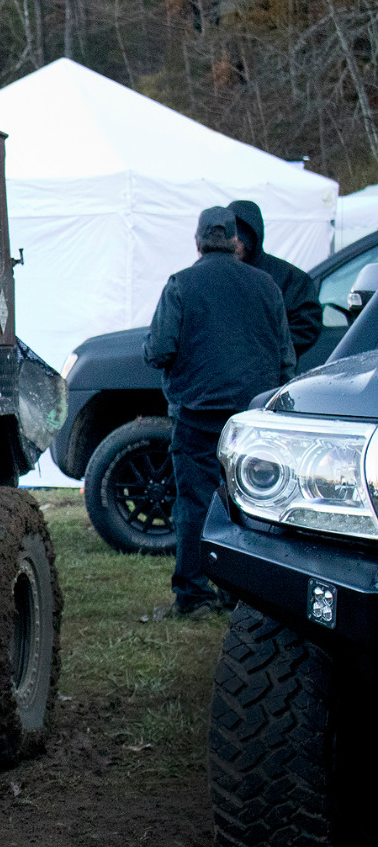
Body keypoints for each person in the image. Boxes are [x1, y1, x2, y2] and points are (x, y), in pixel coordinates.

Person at [144, 207, 295, 619]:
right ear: (235, 241)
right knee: (250, 506)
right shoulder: (266, 285)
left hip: (197, 415)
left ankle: (194, 597)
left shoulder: (182, 284)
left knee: (194, 504)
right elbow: (286, 358)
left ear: (197, 241)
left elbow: (158, 350)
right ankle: (243, 594)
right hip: (252, 419)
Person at [228, 199, 321, 361]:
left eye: (239, 238)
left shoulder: (289, 278)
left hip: (271, 374)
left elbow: (306, 326)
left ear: (250, 238)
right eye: (229, 237)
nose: (234, 243)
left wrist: (267, 349)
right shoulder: (218, 277)